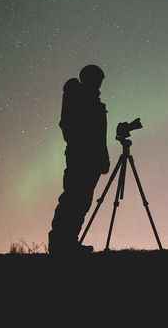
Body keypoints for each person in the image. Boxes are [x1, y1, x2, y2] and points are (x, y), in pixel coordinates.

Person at [48, 64, 111, 255]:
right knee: (73, 199)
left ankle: (69, 242)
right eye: (97, 79)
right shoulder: (79, 97)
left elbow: (100, 135)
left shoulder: (93, 101)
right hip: (80, 157)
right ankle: (60, 244)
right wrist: (83, 146)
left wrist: (103, 157)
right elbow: (68, 125)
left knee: (82, 201)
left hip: (90, 159)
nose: (100, 84)